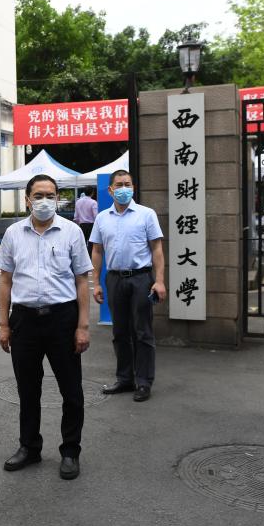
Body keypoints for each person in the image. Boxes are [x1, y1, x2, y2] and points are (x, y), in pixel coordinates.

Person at [0, 174, 92, 480]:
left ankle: (70, 451)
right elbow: (5, 281)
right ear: (27, 200)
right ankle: (29, 447)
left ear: (58, 199)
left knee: (71, 390)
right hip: (24, 320)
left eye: (50, 195)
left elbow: (82, 280)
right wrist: (3, 324)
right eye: (38, 195)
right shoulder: (13, 233)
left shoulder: (72, 232)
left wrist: (83, 326)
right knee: (27, 390)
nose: (45, 201)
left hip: (62, 318)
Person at [89, 169, 166, 403]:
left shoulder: (146, 214)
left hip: (141, 278)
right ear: (110, 190)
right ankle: (124, 379)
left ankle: (143, 381)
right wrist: (96, 283)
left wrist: (159, 281)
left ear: (133, 187)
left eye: (128, 184)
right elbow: (97, 250)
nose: (124, 188)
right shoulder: (102, 218)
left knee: (142, 331)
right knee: (120, 332)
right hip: (114, 279)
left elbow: (157, 249)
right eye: (119, 185)